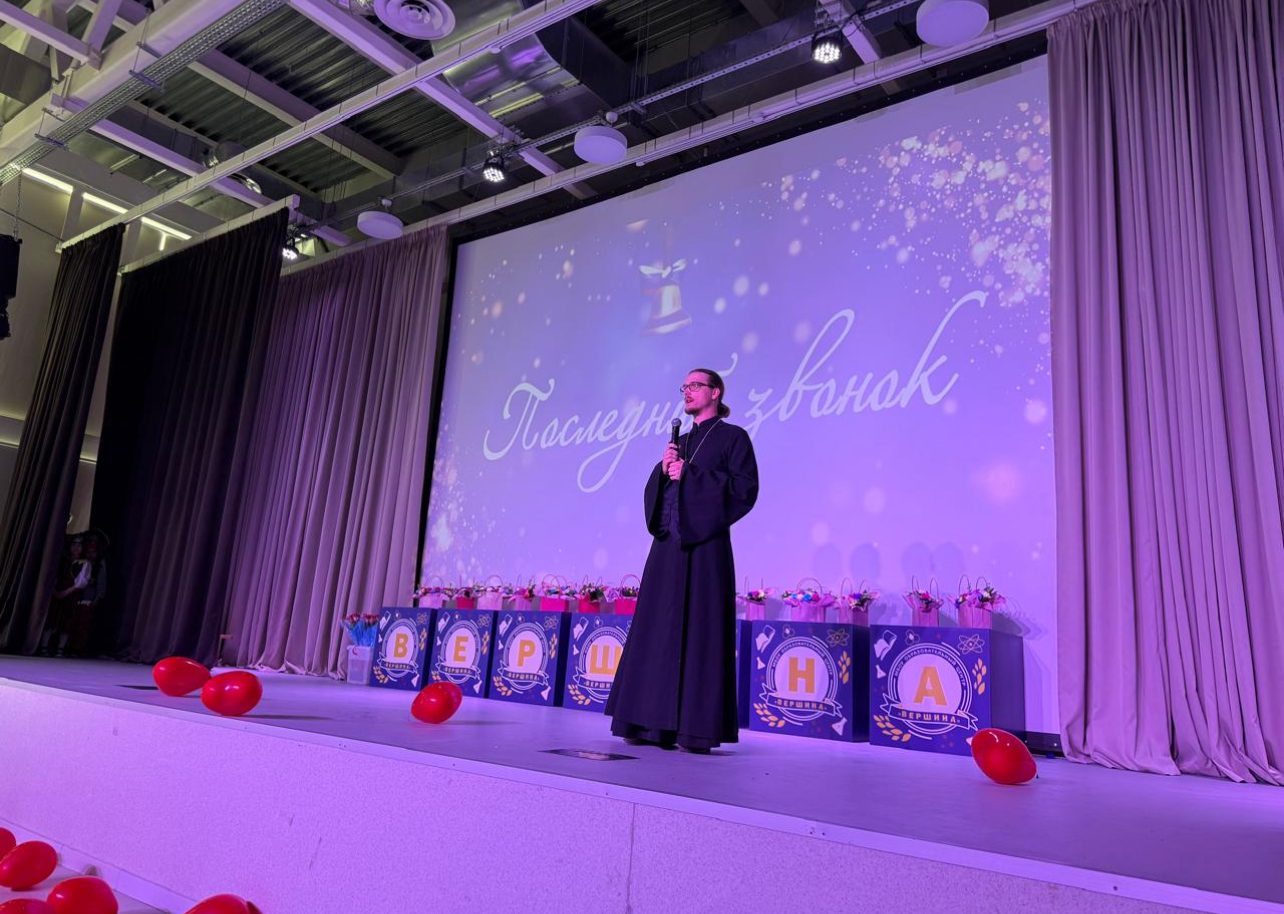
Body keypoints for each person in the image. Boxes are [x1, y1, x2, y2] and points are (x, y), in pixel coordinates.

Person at [606, 368, 759, 753]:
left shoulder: (733, 437)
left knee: (700, 633)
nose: (687, 392)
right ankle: (645, 722)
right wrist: (663, 472)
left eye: (695, 386)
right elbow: (660, 496)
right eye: (684, 387)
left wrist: (691, 475)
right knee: (655, 632)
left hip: (704, 549)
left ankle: (695, 729)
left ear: (715, 392)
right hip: (668, 550)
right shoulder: (681, 442)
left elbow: (744, 491)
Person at [38, 534, 90, 656]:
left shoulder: (84, 563)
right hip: (56, 592)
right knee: (52, 620)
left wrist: (65, 593)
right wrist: (55, 591)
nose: (76, 548)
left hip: (71, 595)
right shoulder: (62, 560)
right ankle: (44, 646)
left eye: (79, 545)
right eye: (74, 544)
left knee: (66, 622)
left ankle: (60, 648)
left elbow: (81, 582)